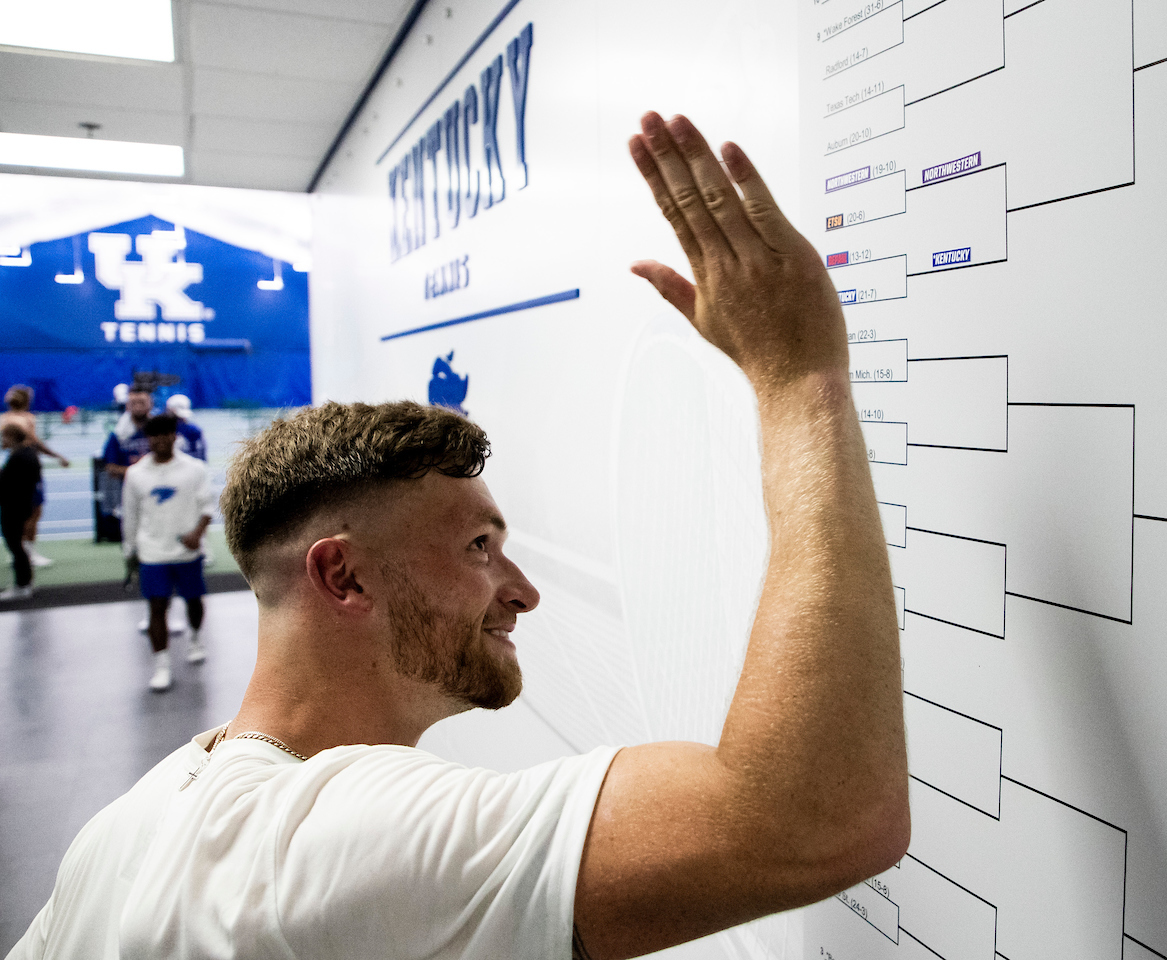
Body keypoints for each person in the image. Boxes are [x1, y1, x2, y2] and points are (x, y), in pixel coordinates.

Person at [9, 113, 908, 959]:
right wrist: (800, 377)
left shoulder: (126, 826)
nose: (521, 590)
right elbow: (808, 818)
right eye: (479, 548)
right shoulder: (324, 841)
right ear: (344, 578)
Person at [121, 414, 213, 692]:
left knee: (193, 601)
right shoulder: (135, 474)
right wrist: (130, 551)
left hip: (187, 553)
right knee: (156, 607)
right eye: (154, 435)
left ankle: (195, 638)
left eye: (166, 434)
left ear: (175, 436)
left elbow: (207, 508)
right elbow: (130, 515)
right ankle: (162, 666)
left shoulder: (195, 469)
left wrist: (196, 535)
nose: (160, 440)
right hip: (152, 553)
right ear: (148, 439)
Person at [2, 384, 70, 568]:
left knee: (16, 513)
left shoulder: (3, 419)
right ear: (26, 401)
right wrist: (58, 456)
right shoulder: (28, 418)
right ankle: (29, 554)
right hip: (28, 469)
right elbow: (34, 443)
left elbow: (5, 446)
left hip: (11, 469)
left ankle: (19, 552)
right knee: (34, 511)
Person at [0, 422, 41, 601]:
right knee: (17, 545)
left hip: (15, 506)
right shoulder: (25, 453)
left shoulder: (21, 457)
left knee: (15, 545)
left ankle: (23, 585)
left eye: (4, 437)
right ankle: (24, 583)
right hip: (20, 505)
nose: (2, 440)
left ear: (12, 437)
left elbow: (7, 482)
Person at [166, 393, 207, 462]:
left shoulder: (194, 431)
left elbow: (201, 456)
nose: (179, 421)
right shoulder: (164, 430)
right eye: (177, 418)